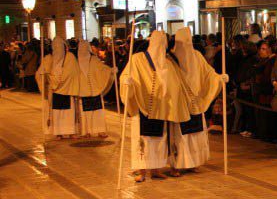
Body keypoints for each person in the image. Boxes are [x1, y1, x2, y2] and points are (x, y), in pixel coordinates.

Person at [120, 31, 191, 182]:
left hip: (162, 108)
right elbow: (126, 75)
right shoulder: (137, 59)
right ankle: (142, 171)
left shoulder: (168, 63)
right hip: (143, 106)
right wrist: (127, 82)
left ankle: (156, 169)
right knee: (144, 140)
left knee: (159, 140)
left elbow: (176, 84)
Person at [170, 28, 224, 175]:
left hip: (195, 101)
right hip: (178, 103)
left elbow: (208, 74)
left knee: (194, 135)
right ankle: (176, 164)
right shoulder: (170, 58)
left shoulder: (197, 56)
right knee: (179, 136)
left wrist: (219, 78)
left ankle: (193, 162)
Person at [36, 37, 82, 139]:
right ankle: (58, 132)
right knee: (57, 113)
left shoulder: (70, 58)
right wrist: (43, 74)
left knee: (69, 113)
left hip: (68, 90)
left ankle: (71, 131)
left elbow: (73, 73)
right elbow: (39, 73)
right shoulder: (48, 59)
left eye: (59, 47)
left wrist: (60, 81)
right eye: (55, 47)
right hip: (54, 92)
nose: (57, 49)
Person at [77, 40, 114, 138]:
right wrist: (111, 70)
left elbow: (102, 69)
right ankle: (98, 131)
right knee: (97, 111)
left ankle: (87, 131)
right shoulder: (92, 60)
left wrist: (110, 70)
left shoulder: (79, 61)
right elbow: (102, 69)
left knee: (87, 112)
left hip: (85, 90)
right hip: (92, 89)